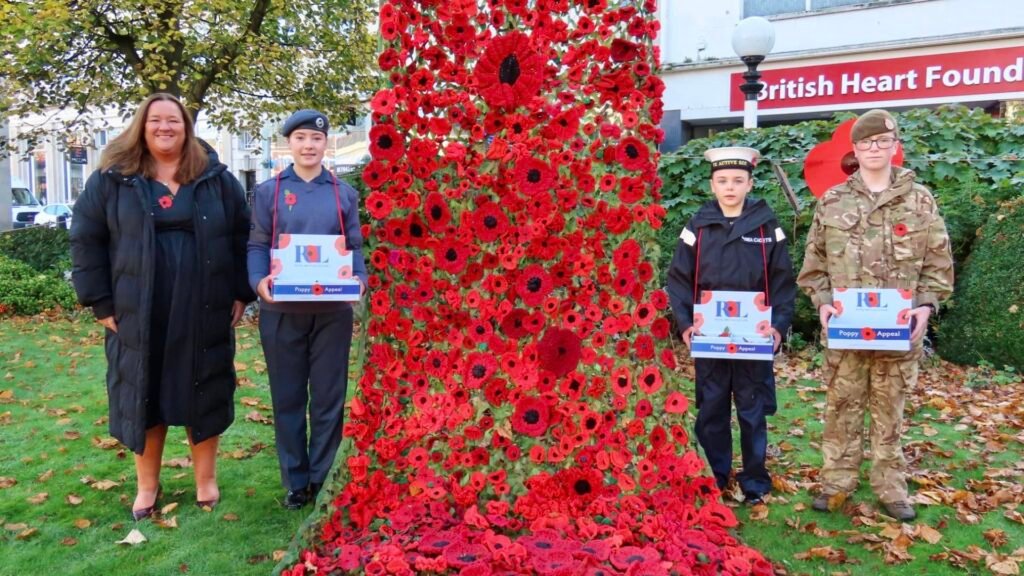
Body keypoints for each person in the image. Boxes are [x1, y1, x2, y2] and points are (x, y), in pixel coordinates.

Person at [70, 93, 255, 520]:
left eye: (174, 120)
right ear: (142, 125)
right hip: (138, 309)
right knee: (144, 393)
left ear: (186, 127)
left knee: (203, 389)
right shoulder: (112, 178)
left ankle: (206, 481)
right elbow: (86, 239)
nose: (165, 127)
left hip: (203, 307)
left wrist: (241, 292)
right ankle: (147, 488)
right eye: (156, 120)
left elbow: (242, 235)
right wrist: (99, 301)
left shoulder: (215, 177)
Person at [797, 109, 954, 520]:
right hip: (847, 330)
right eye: (866, 142)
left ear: (894, 145)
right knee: (842, 405)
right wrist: (824, 301)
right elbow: (813, 264)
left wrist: (925, 305)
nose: (874, 149)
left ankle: (890, 484)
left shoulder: (920, 200)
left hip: (898, 331)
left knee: (890, 409)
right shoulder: (832, 201)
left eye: (882, 142)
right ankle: (837, 481)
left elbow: (938, 263)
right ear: (854, 149)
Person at [247, 110, 368, 510]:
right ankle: (296, 480)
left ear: (326, 144)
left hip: (331, 309)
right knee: (288, 397)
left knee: (330, 397)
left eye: (316, 139)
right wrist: (258, 280)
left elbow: (353, 248)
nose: (309, 145)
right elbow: (258, 244)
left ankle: (323, 476)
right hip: (282, 309)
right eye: (300, 138)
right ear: (289, 144)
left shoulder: (343, 194)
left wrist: (360, 280)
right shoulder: (269, 192)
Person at [667, 146, 796, 505]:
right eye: (722, 181)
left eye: (738, 181)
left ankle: (754, 479)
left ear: (749, 184)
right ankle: (714, 475)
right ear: (712, 186)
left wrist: (779, 327)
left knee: (752, 409)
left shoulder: (768, 228)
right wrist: (684, 324)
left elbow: (783, 280)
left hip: (753, 337)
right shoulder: (697, 227)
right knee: (712, 408)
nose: (730, 187)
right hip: (709, 337)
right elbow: (678, 279)